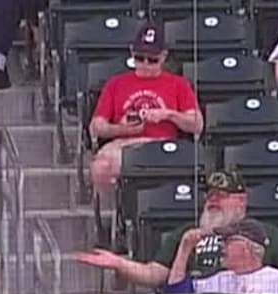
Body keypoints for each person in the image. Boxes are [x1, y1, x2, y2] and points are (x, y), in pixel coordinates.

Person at [75, 169, 278, 294]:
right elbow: (155, 274)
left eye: (221, 196)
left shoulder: (263, 234)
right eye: (209, 195)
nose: (212, 201)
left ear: (241, 201)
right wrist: (119, 264)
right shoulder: (186, 234)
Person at [87, 24, 203, 204]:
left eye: (152, 59)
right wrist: (122, 129)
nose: (145, 64)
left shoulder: (178, 84)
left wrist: (168, 115)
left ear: (163, 56)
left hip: (164, 147)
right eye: (139, 58)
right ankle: (117, 214)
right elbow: (96, 127)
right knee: (100, 167)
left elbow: (197, 124)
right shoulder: (115, 84)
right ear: (132, 53)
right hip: (126, 145)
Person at [164, 219, 278, 294]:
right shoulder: (218, 280)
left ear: (247, 247)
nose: (221, 246)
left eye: (228, 241)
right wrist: (184, 248)